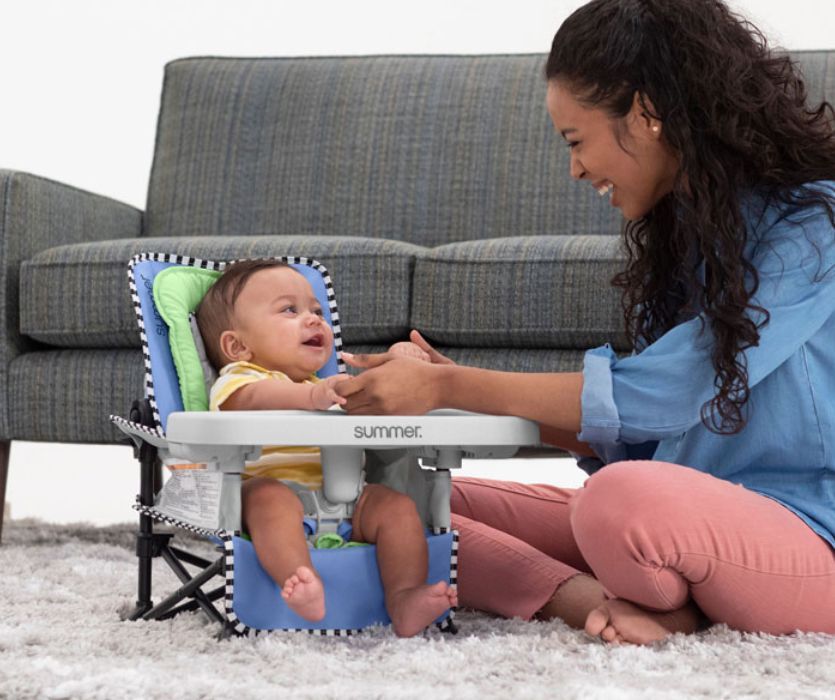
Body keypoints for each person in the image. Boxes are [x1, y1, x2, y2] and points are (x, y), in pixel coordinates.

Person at [335, 0, 835, 645]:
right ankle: (595, 602)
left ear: (647, 113)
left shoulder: (814, 226)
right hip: (693, 518)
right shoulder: (695, 234)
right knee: (391, 505)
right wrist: (450, 380)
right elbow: (637, 434)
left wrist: (448, 388)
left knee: (618, 502)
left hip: (809, 533)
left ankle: (657, 591)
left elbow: (670, 390)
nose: (574, 168)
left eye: (576, 140)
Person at [196, 259, 457, 637]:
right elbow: (250, 400)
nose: (314, 319)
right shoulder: (242, 378)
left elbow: (378, 398)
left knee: (397, 508)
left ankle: (405, 596)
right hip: (271, 492)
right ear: (238, 345)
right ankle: (298, 580)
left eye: (317, 311)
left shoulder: (325, 385)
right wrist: (311, 394)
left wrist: (400, 365)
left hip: (347, 499)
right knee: (267, 498)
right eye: (290, 310)